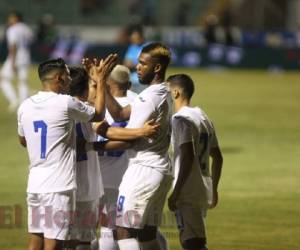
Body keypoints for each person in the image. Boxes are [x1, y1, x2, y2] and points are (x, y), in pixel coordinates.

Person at [17, 55, 117, 250]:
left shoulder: (25, 105)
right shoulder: (65, 103)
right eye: (68, 76)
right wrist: (102, 79)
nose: (71, 80)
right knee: (54, 243)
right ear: (59, 79)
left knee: (35, 240)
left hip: (35, 184)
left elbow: (23, 140)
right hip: (58, 186)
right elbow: (98, 114)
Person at [105, 42, 173, 250]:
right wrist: (101, 82)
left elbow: (130, 138)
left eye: (143, 64)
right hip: (160, 168)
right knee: (146, 234)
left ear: (157, 67)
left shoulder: (148, 98)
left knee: (123, 231)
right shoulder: (163, 91)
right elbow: (119, 114)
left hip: (143, 170)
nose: (138, 67)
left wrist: (95, 143)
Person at [167, 74, 223, 250]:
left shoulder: (180, 120)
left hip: (188, 191)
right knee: (193, 240)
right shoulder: (202, 116)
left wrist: (176, 192)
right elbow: (218, 157)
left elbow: (188, 156)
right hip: (202, 187)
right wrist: (213, 189)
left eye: (166, 92)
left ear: (175, 93)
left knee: (192, 243)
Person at [98, 64, 137, 250]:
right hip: (129, 174)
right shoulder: (138, 102)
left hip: (99, 174)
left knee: (104, 228)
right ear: (129, 84)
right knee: (137, 230)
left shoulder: (97, 103)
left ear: (108, 82)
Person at [0, 11, 33, 112]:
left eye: (11, 18)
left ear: (16, 18)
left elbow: (13, 45)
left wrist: (12, 61)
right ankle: (24, 104)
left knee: (2, 79)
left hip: (15, 57)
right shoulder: (26, 28)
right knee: (23, 81)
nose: (9, 20)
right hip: (25, 57)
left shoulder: (13, 29)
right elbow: (31, 40)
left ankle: (14, 100)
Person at [123, 24, 145, 93]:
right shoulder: (132, 48)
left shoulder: (146, 47)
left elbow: (146, 64)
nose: (134, 39)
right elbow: (126, 63)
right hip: (132, 81)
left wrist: (133, 63)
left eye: (136, 37)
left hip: (143, 82)